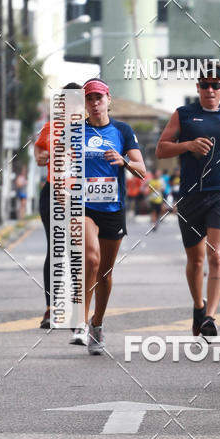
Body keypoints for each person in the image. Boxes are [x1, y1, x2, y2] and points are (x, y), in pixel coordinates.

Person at [156, 61, 220, 337]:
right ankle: (199, 306)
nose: (210, 90)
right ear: (198, 87)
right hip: (191, 195)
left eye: (215, 85)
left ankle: (210, 317)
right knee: (196, 261)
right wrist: (187, 145)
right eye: (205, 85)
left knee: (215, 256)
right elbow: (161, 149)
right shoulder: (183, 115)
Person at [73, 78, 146, 354]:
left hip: (112, 208)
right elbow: (60, 164)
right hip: (84, 207)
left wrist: (124, 161)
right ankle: (80, 321)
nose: (94, 103)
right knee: (90, 258)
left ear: (108, 100)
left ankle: (97, 325)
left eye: (98, 98)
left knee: (105, 272)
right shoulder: (75, 131)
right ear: (85, 103)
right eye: (89, 99)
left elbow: (141, 169)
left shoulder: (122, 131)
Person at [34, 83, 82, 329]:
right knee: (55, 250)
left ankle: (77, 309)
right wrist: (40, 157)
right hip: (52, 193)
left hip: (79, 197)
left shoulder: (90, 131)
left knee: (78, 253)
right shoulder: (50, 128)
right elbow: (39, 151)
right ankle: (51, 309)